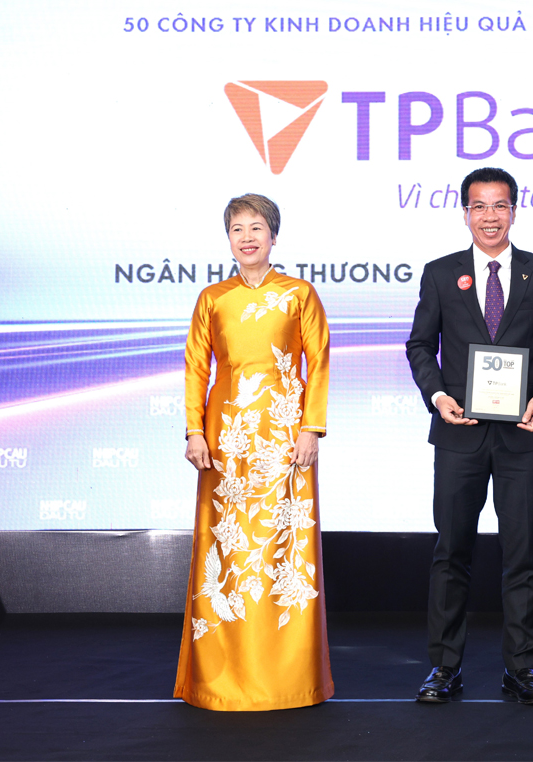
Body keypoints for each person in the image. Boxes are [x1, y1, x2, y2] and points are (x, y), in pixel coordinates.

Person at [406, 167, 533, 704]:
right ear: (465, 214)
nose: (490, 216)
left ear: (514, 211)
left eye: (499, 205)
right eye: (479, 206)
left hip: (524, 436)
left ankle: (521, 669)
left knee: (522, 556)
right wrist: (438, 396)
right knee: (450, 552)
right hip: (458, 433)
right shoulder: (441, 273)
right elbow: (419, 346)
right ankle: (444, 668)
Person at [175, 193, 334, 711]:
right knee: (226, 549)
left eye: (257, 228)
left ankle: (290, 679)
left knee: (284, 549)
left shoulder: (299, 294)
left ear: (274, 236)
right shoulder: (212, 298)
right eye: (237, 229)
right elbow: (196, 367)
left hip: (285, 438)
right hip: (225, 438)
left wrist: (311, 429)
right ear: (228, 239)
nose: (247, 237)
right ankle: (220, 681)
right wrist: (194, 430)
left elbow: (318, 362)